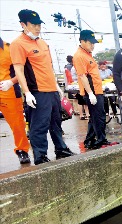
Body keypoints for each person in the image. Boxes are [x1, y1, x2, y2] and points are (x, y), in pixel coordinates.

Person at [11, 9, 74, 165]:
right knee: (39, 125)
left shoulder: (42, 43)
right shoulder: (18, 44)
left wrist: (58, 89)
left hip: (51, 90)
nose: (37, 28)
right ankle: (40, 155)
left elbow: (49, 67)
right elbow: (19, 70)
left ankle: (61, 149)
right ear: (23, 24)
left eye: (39, 24)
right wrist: (27, 92)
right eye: (34, 25)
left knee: (56, 122)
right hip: (37, 92)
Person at [73, 29, 116, 149]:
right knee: (99, 117)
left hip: (97, 90)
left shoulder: (87, 55)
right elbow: (82, 76)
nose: (93, 46)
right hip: (91, 91)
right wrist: (91, 94)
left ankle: (89, 140)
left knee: (95, 116)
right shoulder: (79, 56)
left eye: (93, 43)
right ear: (82, 41)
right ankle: (101, 139)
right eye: (90, 43)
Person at [0, 36, 31, 164]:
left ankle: (22, 150)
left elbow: (22, 70)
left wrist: (11, 82)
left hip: (8, 91)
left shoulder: (10, 48)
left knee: (18, 124)